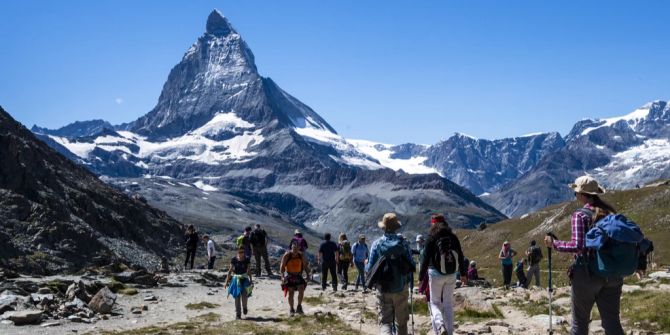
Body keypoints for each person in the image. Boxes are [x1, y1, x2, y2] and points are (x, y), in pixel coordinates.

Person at [544, 175, 624, 335]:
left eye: (576, 192)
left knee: (579, 323)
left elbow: (577, 246)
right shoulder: (610, 212)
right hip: (613, 274)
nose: (575, 195)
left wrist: (554, 244)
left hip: (587, 274)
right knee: (612, 323)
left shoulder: (580, 215)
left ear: (582, 194)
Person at [366, 213, 415, 335]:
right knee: (401, 322)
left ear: (383, 227)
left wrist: (366, 263)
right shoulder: (403, 243)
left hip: (383, 288)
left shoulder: (376, 244)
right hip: (401, 287)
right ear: (396, 227)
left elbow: (369, 268)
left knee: (385, 322)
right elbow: (411, 264)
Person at [419, 214, 467, 335]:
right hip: (451, 274)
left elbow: (425, 259)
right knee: (448, 304)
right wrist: (463, 274)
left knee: (434, 302)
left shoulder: (431, 238)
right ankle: (449, 332)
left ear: (433, 224)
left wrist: (420, 278)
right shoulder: (453, 237)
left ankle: (440, 325)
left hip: (435, 274)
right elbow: (460, 255)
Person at [280, 242, 310, 316]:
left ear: (299, 248)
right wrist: (282, 276)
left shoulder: (301, 255)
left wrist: (308, 275)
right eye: (294, 248)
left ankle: (299, 306)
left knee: (301, 289)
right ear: (291, 248)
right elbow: (282, 266)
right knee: (291, 293)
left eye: (296, 249)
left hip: (298, 275)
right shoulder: (287, 255)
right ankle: (291, 309)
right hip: (289, 276)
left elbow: (305, 266)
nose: (295, 250)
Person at [225, 248, 253, 319]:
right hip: (236, 279)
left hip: (244, 279)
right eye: (240, 252)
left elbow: (249, 270)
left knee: (244, 295)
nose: (241, 253)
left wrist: (251, 280)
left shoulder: (247, 259)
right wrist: (226, 282)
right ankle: (238, 314)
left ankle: (245, 307)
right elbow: (230, 271)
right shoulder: (234, 259)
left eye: (243, 252)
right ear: (237, 252)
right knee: (237, 297)